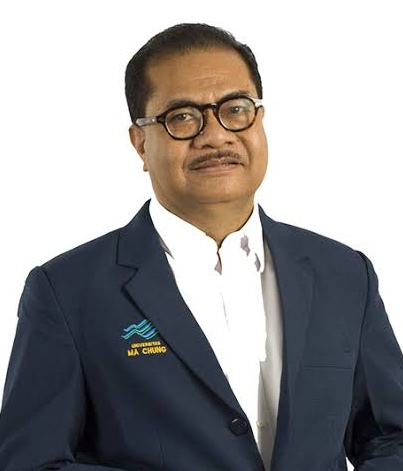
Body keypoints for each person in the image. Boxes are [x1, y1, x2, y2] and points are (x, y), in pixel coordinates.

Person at [0, 22, 402, 471]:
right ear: (140, 143)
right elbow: (30, 462)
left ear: (260, 120)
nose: (215, 135)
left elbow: (392, 437)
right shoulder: (66, 290)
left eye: (235, 109)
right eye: (182, 117)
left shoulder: (344, 273)